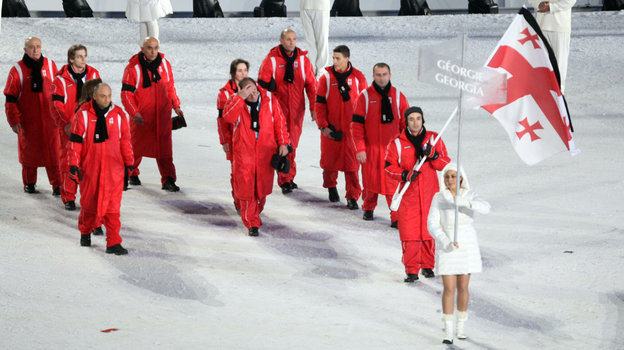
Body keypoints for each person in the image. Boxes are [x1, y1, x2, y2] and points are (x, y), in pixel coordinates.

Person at [67, 83, 134, 255]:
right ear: (94, 97)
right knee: (89, 205)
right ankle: (85, 231)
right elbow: (75, 143)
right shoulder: (82, 115)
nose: (107, 99)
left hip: (114, 171)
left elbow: (125, 143)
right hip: (90, 169)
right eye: (103, 96)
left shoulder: (119, 115)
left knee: (113, 209)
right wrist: (73, 164)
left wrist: (129, 165)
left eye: (109, 96)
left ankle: (113, 242)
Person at [384, 107, 450, 282]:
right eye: (411, 119)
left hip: (430, 195)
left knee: (429, 231)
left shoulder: (434, 139)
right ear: (406, 121)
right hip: (409, 196)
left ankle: (428, 266)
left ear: (423, 120)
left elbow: (445, 164)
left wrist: (434, 155)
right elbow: (389, 167)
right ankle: (411, 270)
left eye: (418, 118)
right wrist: (405, 175)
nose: (415, 122)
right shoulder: (397, 143)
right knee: (410, 234)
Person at [427, 163, 490, 344]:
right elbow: (432, 223)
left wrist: (467, 203)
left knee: (463, 287)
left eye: (454, 176)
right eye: (447, 177)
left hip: (466, 244)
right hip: (448, 246)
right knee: (449, 288)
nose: (450, 180)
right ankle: (447, 331)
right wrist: (444, 240)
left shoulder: (469, 195)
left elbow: (486, 207)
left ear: (461, 177)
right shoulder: (439, 197)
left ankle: (460, 328)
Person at [222, 78, 290, 236]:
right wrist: (240, 97)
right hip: (244, 154)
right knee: (247, 189)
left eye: (253, 89)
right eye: (246, 90)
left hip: (266, 152)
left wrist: (283, 143)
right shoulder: (235, 102)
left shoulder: (270, 100)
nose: (251, 93)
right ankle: (252, 223)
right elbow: (228, 118)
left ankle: (255, 213)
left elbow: (279, 122)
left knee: (262, 188)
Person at [258, 29, 317, 194]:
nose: (292, 42)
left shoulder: (304, 60)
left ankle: (289, 177)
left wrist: (314, 108)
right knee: (282, 143)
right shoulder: (271, 60)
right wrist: (263, 109)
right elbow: (261, 87)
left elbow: (312, 86)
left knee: (293, 144)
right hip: (278, 109)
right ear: (281, 40)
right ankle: (285, 178)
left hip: (297, 110)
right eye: (288, 39)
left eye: (294, 39)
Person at [121, 37, 183, 192]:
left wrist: (176, 105)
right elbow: (126, 94)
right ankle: (129, 174)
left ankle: (168, 179)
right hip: (142, 118)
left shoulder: (165, 64)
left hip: (162, 116)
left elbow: (170, 87)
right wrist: (134, 112)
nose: (153, 51)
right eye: (149, 48)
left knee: (165, 150)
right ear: (142, 49)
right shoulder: (132, 68)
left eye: (156, 47)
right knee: (135, 149)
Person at [351, 62, 408, 224]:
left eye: (384, 74)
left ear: (390, 75)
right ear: (373, 76)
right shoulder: (365, 96)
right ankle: (368, 208)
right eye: (378, 75)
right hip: (371, 150)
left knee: (393, 186)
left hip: (392, 152)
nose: (381, 78)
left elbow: (406, 125)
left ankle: (396, 217)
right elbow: (356, 126)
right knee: (370, 183)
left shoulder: (398, 96)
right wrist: (360, 148)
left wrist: (405, 148)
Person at [4, 37, 61, 195]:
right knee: (29, 154)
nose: (35, 50)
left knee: (54, 154)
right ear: (25, 50)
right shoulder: (17, 70)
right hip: (28, 122)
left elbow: (59, 92)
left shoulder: (50, 65)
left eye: (38, 46)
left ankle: (57, 185)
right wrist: (14, 120)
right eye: (31, 47)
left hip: (50, 121)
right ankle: (29, 183)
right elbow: (10, 98)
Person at [315, 45, 367, 209]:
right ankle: (331, 187)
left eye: (338, 58)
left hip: (352, 132)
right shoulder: (327, 78)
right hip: (332, 130)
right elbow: (320, 105)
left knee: (352, 166)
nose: (334, 61)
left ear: (347, 59)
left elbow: (365, 106)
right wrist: (324, 127)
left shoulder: (359, 78)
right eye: (334, 58)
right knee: (329, 164)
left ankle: (352, 197)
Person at [52, 44, 101, 211]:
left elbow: (101, 100)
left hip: (90, 126)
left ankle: (88, 196)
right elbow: (56, 106)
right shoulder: (61, 79)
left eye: (85, 56)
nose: (83, 60)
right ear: (71, 59)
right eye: (80, 57)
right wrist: (65, 124)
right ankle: (68, 197)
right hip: (69, 127)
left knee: (89, 163)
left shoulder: (93, 74)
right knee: (68, 162)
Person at [217, 58, 249, 212]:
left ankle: (248, 202)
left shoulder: (252, 88)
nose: (243, 73)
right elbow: (222, 121)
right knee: (237, 173)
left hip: (249, 139)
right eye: (239, 70)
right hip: (233, 139)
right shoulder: (224, 94)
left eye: (245, 70)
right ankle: (239, 202)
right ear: (233, 73)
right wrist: (224, 141)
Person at [528, 0, 576, 93]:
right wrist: (539, 4)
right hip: (541, 26)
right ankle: (543, 94)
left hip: (560, 27)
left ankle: (559, 94)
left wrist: (551, 7)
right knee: (541, 62)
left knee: (559, 63)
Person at [300, 0, 331, 75]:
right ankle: (311, 68)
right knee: (309, 41)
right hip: (304, 6)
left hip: (320, 6)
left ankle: (321, 69)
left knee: (321, 38)